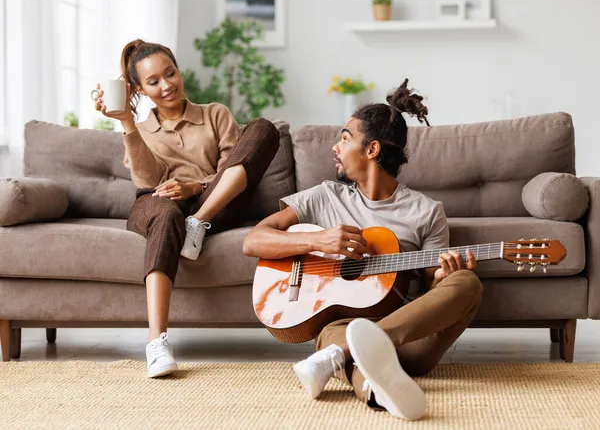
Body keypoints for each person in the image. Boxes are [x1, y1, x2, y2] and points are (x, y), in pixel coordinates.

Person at [243, 79, 482, 420]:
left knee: (468, 284)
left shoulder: (427, 212)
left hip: (409, 339)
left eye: (344, 137)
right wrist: (317, 240)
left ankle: (343, 354)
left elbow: (434, 285)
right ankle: (377, 392)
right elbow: (254, 240)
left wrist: (444, 274)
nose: (334, 147)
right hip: (339, 325)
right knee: (335, 337)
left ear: (371, 150)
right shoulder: (324, 196)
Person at [94, 39, 280, 378]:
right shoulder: (142, 131)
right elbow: (148, 179)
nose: (166, 86)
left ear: (179, 71)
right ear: (139, 88)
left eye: (171, 73)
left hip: (214, 206)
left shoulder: (215, 115)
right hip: (160, 204)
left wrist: (197, 188)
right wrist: (126, 122)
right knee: (165, 211)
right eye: (153, 82)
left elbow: (231, 171)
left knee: (264, 127)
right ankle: (157, 343)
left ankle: (199, 221)